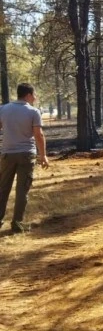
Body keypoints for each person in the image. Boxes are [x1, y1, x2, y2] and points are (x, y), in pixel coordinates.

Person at [0, 83, 49, 233]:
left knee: (2, 189)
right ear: (28, 95)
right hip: (26, 155)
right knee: (22, 190)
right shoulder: (33, 112)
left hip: (7, 154)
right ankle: (17, 224)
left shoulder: (3, 109)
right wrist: (43, 155)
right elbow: (38, 135)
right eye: (34, 94)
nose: (35, 97)